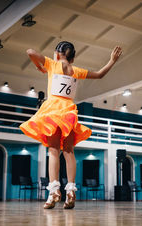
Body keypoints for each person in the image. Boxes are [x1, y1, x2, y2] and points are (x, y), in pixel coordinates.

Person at [20, 41, 122, 209]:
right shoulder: (75, 71)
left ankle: (54, 192)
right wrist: (112, 60)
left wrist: (38, 65)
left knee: (53, 151)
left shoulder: (52, 64)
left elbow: (30, 49)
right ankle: (71, 191)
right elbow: (99, 74)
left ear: (58, 53)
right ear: (72, 57)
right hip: (68, 112)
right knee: (68, 152)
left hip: (53, 112)